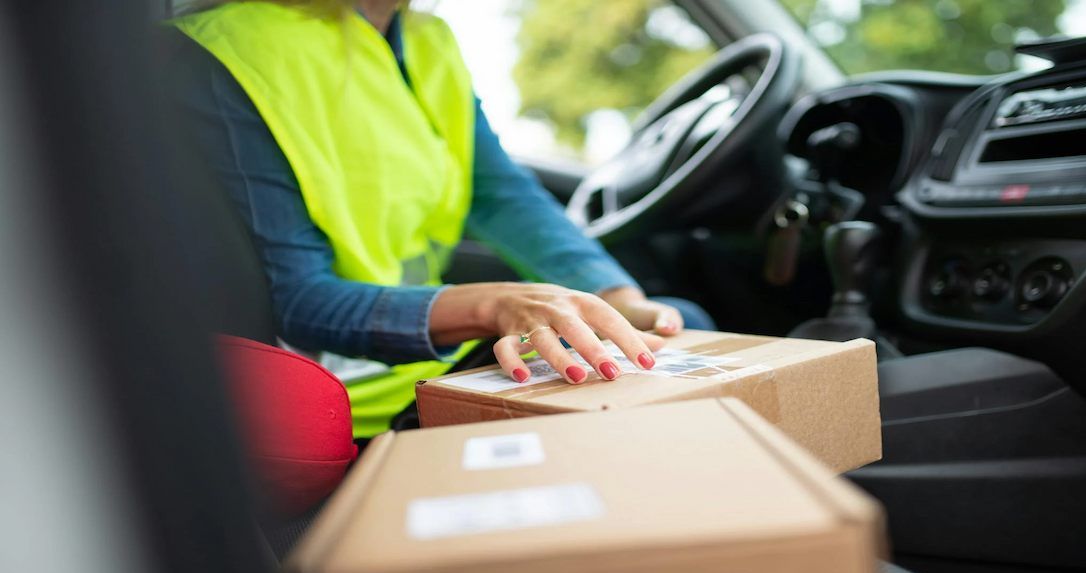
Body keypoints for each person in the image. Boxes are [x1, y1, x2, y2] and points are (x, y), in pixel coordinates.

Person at [168, 0, 714, 437]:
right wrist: (495, 304)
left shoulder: (428, 40)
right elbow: (298, 302)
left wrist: (616, 297)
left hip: (433, 358)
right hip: (349, 394)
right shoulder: (235, 51)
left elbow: (498, 192)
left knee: (672, 324)